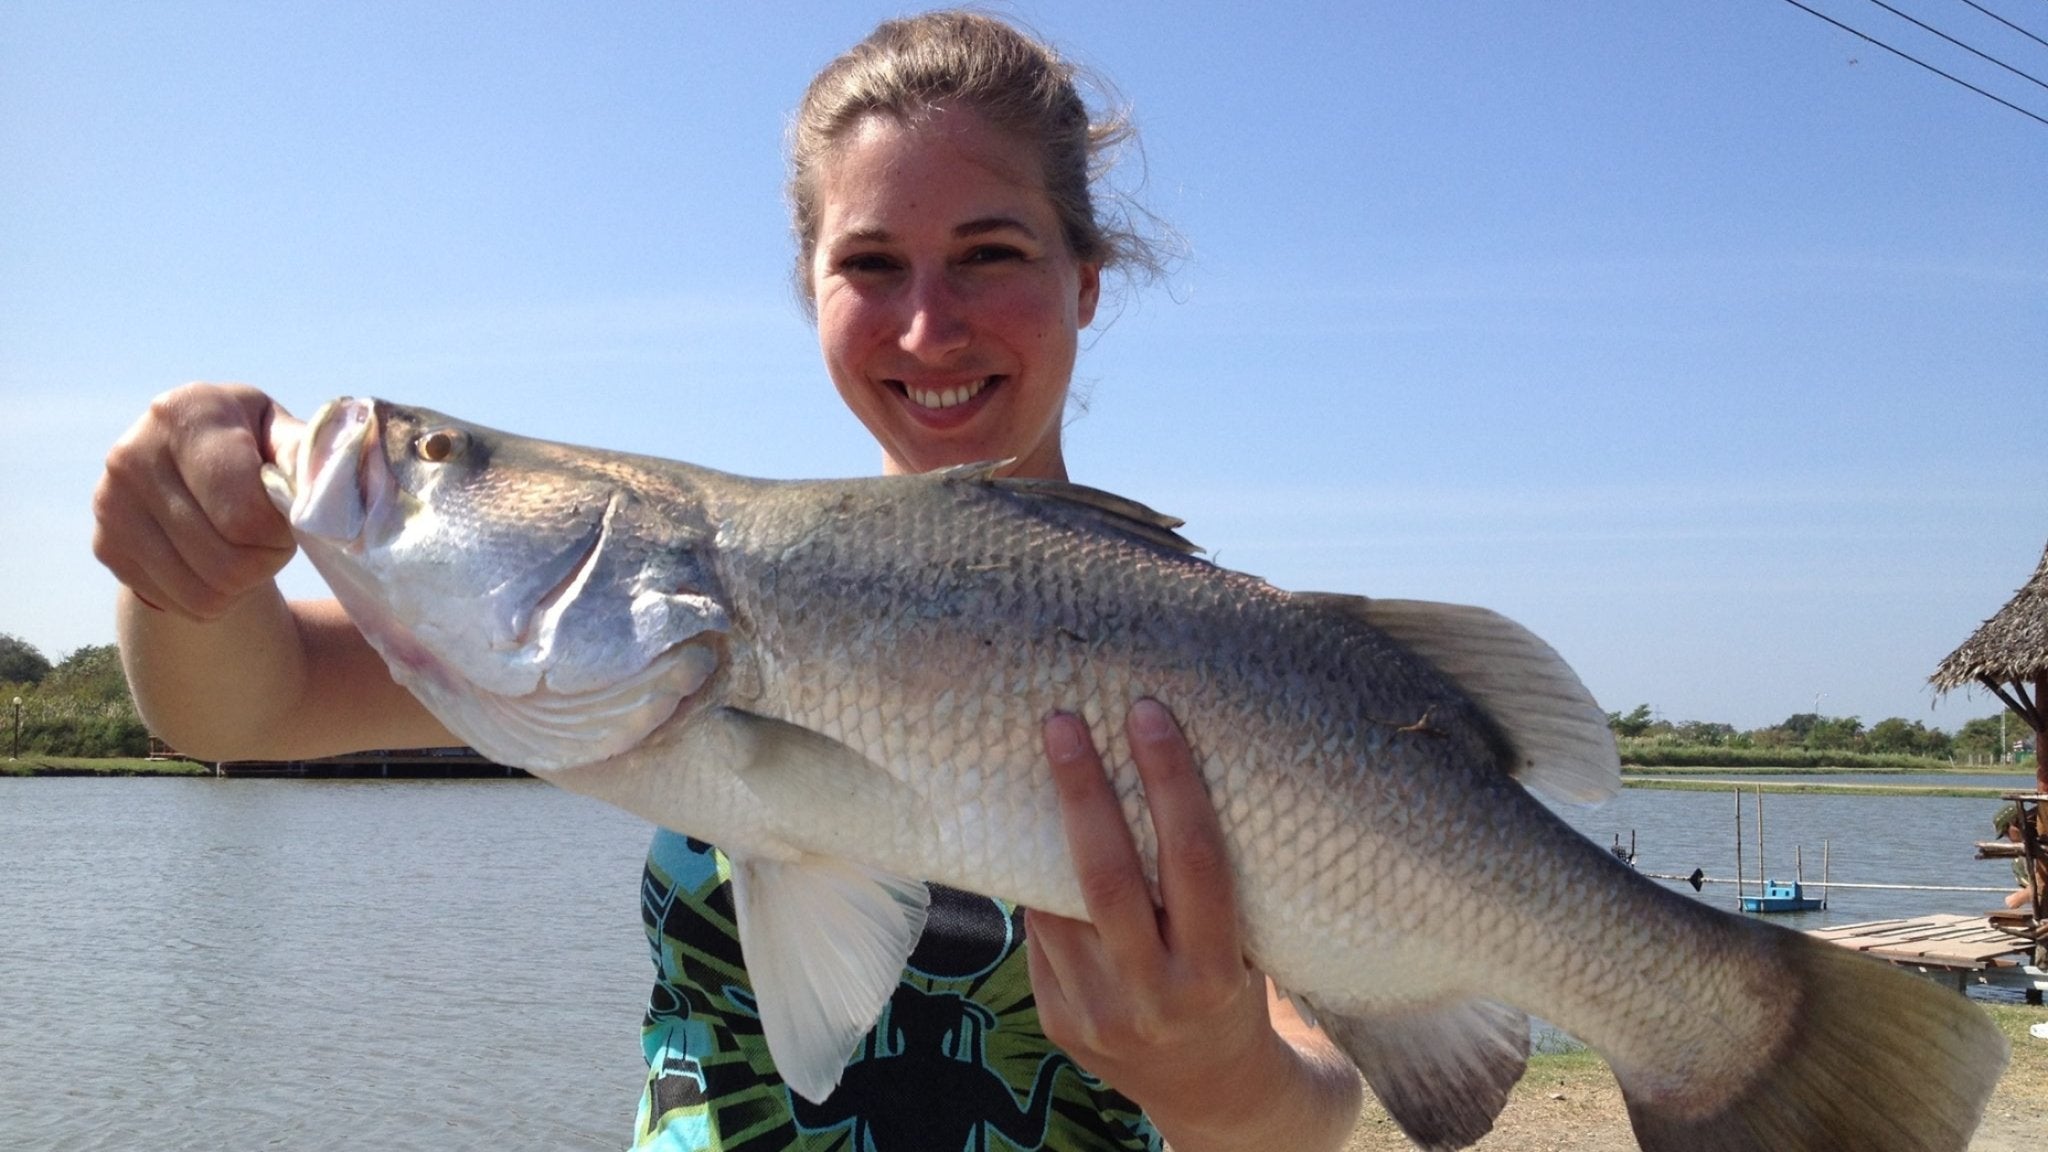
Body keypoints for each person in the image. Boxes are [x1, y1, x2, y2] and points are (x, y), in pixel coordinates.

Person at [90, 11, 1364, 1151]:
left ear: (1085, 280)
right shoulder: (619, 629)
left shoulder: (1225, 661)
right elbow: (232, 713)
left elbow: (1317, 1103)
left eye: (987, 253)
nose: (929, 327)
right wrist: (186, 568)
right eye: (869, 264)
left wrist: (1216, 1083)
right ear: (809, 292)